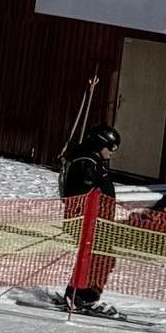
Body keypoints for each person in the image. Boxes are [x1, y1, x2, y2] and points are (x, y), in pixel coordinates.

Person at [60, 125, 121, 314]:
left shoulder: (92, 160)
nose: (112, 153)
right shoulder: (86, 162)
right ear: (99, 144)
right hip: (88, 220)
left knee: (100, 257)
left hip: (97, 220)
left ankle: (79, 293)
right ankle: (82, 295)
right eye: (111, 148)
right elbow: (86, 193)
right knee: (97, 257)